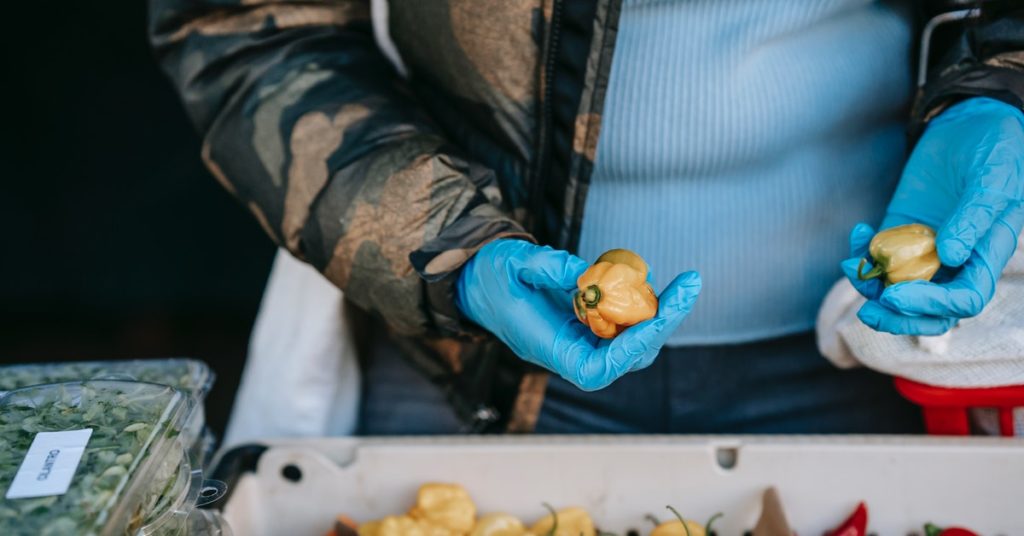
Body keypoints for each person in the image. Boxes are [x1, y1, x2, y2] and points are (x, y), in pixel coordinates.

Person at [149, 0, 1024, 435]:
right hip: (470, 361)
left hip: (871, 361)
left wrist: (1003, 85)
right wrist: (449, 247)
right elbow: (248, 26)